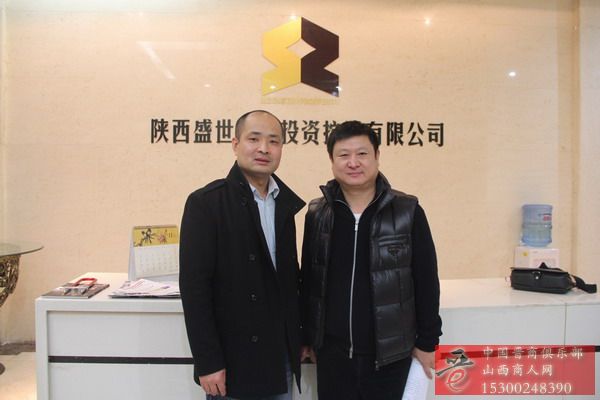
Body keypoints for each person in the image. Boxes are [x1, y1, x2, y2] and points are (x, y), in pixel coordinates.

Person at [300, 120, 442, 399]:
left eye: (362, 154)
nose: (353, 162)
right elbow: (310, 280)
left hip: (390, 355)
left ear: (377, 156)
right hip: (332, 356)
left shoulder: (407, 211)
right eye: (344, 155)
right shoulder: (318, 213)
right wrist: (307, 337)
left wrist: (428, 341)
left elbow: (426, 279)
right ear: (332, 160)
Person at [179, 110, 305, 400]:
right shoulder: (206, 203)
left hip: (280, 356)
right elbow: (195, 289)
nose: (264, 148)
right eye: (254, 139)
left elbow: (290, 280)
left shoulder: (284, 203)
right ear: (235, 144)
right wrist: (208, 362)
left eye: (273, 141)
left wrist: (301, 336)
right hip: (232, 359)